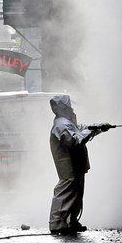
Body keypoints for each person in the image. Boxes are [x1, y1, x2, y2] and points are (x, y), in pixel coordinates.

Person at [48, 95, 112, 235]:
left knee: (76, 194)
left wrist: (97, 127)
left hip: (75, 164)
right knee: (66, 192)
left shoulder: (67, 122)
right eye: (69, 105)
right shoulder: (61, 125)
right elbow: (75, 140)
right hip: (68, 165)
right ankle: (57, 224)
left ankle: (71, 221)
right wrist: (92, 130)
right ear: (63, 107)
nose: (71, 108)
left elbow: (80, 129)